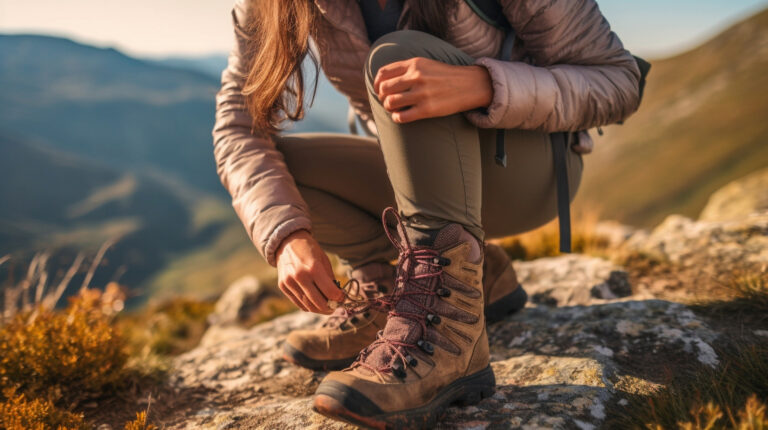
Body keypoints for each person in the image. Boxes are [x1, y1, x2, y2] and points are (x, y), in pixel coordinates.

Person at [212, 0, 641, 427]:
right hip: (422, 177)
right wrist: (286, 236)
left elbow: (619, 81)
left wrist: (483, 85)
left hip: (526, 174)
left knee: (399, 55)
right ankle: (422, 285)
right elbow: (238, 125)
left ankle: (450, 341)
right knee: (285, 178)